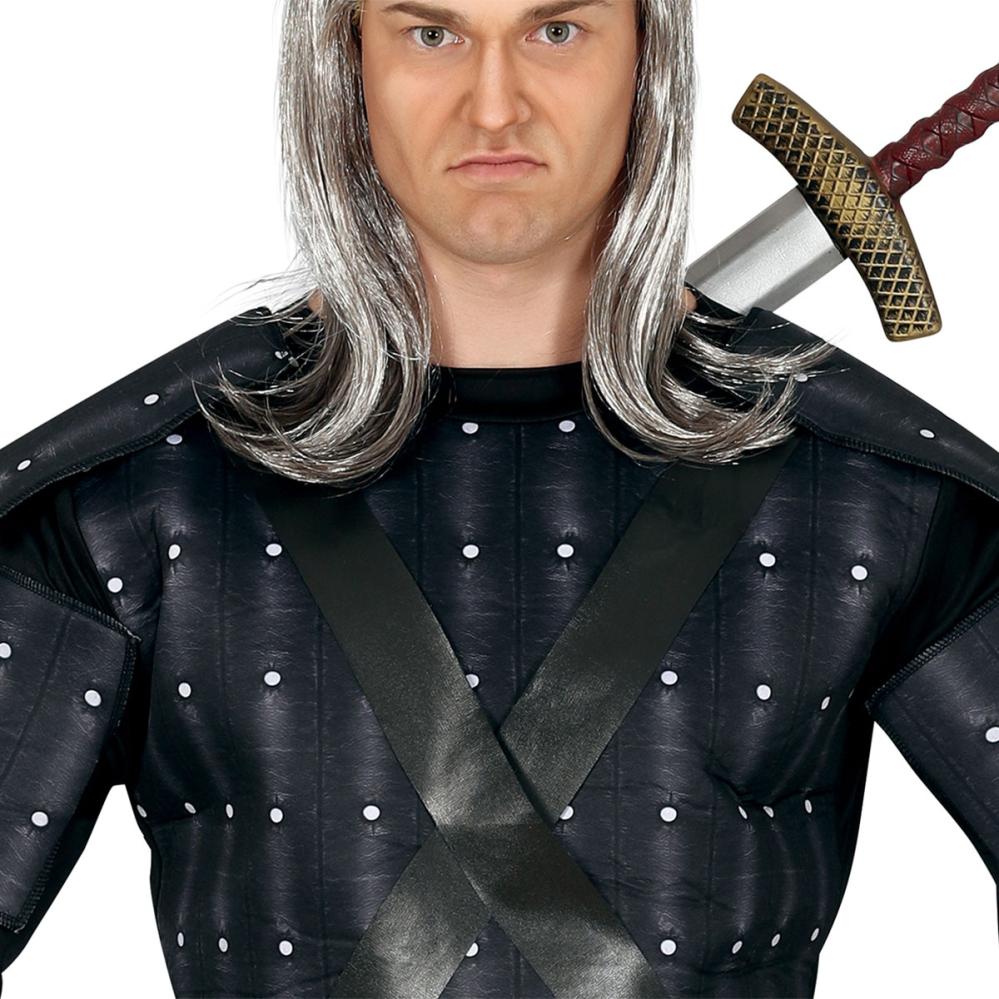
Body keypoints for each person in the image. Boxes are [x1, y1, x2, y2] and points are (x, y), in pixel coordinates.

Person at [2, 2, 999, 997]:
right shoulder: (124, 500)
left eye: (554, 31)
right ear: (345, 60)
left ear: (646, 56)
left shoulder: (877, 493)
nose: (493, 108)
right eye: (431, 34)